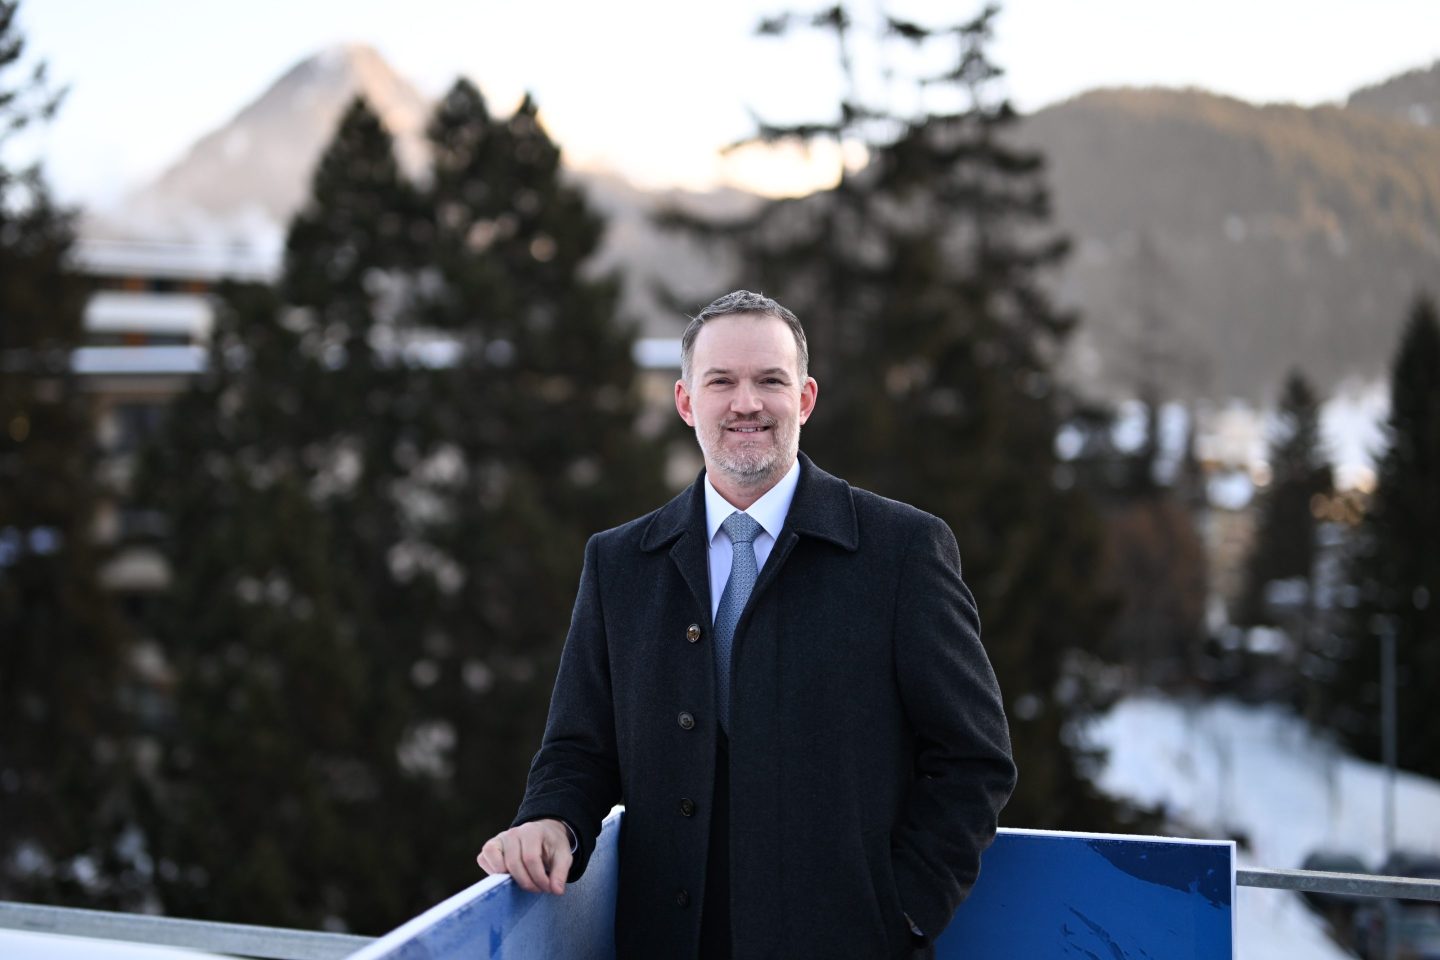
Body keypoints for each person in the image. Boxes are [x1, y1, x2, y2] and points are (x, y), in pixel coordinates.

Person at [477, 290, 1016, 959]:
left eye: (770, 381)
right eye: (721, 382)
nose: (746, 403)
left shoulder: (902, 551)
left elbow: (972, 759)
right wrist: (549, 819)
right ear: (685, 402)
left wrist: (900, 912)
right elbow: (578, 751)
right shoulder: (619, 563)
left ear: (806, 399)